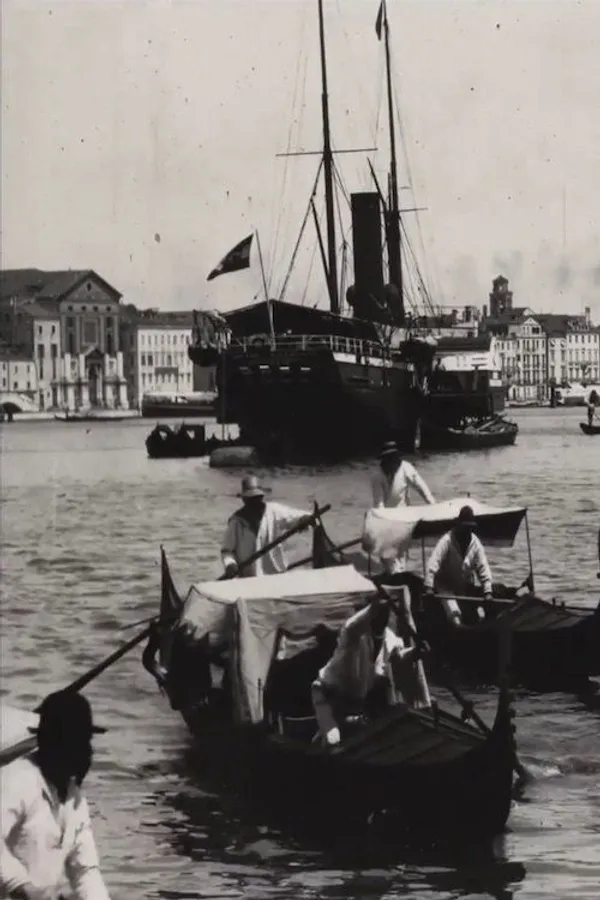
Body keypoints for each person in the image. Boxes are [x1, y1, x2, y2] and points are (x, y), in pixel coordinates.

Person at [1, 690, 111, 900]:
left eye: (85, 742)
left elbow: (84, 872)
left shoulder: (74, 800)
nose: (85, 752)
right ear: (48, 743)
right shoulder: (17, 780)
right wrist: (21, 886)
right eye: (72, 742)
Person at [311, 595, 431, 747]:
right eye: (378, 614)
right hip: (328, 694)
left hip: (354, 701)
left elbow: (397, 657)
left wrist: (415, 652)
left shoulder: (389, 637)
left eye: (385, 614)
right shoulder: (353, 636)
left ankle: (328, 730)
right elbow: (351, 625)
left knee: (368, 732)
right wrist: (374, 606)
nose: (383, 617)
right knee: (333, 740)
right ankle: (324, 735)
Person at [221, 474, 313, 577]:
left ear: (262, 497)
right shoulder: (237, 522)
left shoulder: (274, 511)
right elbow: (227, 551)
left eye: (257, 498)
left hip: (276, 575)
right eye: (251, 499)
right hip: (249, 579)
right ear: (244, 500)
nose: (255, 502)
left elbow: (297, 517)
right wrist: (230, 565)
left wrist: (305, 519)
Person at [371, 441, 436, 575]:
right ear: (384, 460)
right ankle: (393, 575)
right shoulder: (377, 476)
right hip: (385, 520)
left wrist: (434, 507)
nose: (392, 463)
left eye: (393, 459)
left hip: (404, 518)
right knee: (387, 557)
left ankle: (400, 576)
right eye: (388, 459)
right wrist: (383, 525)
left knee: (401, 555)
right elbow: (379, 504)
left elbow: (422, 488)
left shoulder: (406, 468)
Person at [424, 504, 493, 626]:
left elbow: (483, 568)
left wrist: (488, 591)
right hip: (445, 586)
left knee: (478, 617)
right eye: (464, 527)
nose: (467, 531)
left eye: (470, 528)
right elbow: (433, 563)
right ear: (458, 525)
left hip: (464, 587)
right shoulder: (447, 540)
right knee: (455, 616)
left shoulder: (475, 544)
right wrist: (429, 586)